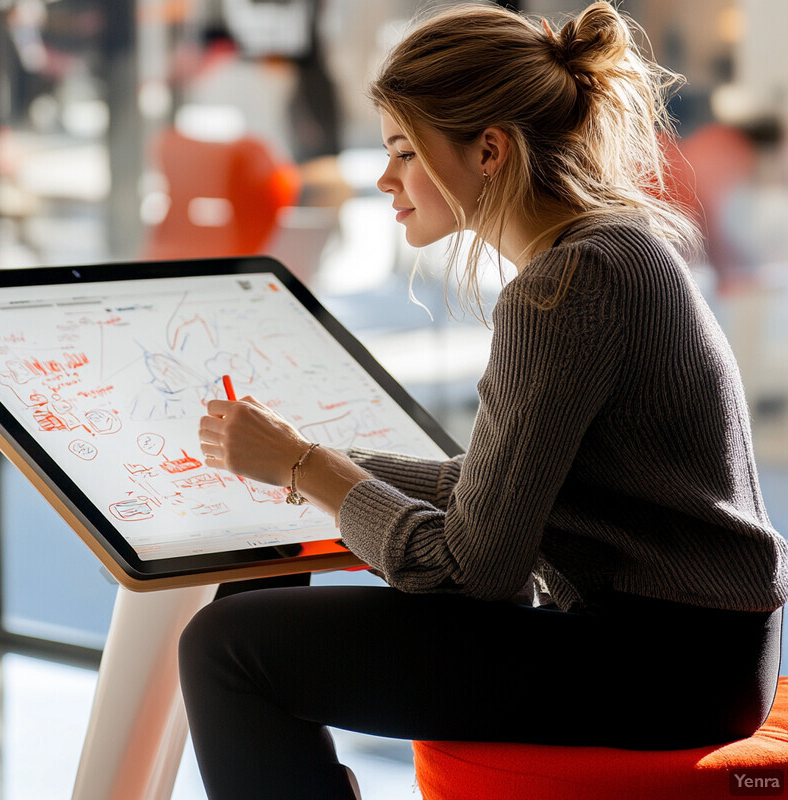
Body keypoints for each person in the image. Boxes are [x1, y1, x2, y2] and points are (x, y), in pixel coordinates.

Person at [178, 3, 788, 798]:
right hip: (703, 651)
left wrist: (308, 467)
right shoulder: (608, 252)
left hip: (666, 667)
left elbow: (471, 570)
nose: (383, 177)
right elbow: (504, 491)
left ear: (490, 149)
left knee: (227, 649)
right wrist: (319, 465)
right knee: (254, 618)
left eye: (403, 150)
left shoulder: (567, 288)